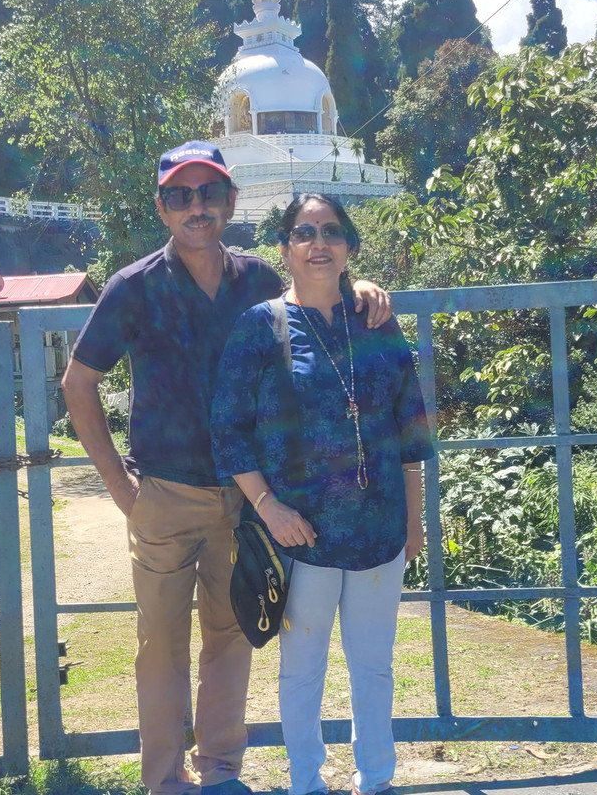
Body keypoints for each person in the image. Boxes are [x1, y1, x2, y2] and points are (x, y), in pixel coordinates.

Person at [61, 143, 392, 795]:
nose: (196, 207)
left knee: (232, 636)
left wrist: (362, 288)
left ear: (230, 203)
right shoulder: (135, 286)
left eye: (208, 194)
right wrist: (121, 488)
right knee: (160, 647)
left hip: (246, 499)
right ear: (161, 207)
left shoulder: (259, 281)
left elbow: (317, 296)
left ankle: (219, 775)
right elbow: (79, 384)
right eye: (180, 196)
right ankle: (165, 781)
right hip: (163, 493)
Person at [210, 193, 435, 795]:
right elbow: (227, 429)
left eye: (331, 232)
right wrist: (267, 506)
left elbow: (411, 427)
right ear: (285, 249)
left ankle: (377, 779)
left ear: (348, 248)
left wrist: (415, 522)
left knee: (374, 665)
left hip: (380, 527)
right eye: (304, 232)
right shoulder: (261, 327)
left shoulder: (376, 320)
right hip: (300, 533)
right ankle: (306, 781)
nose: (318, 243)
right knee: (302, 667)